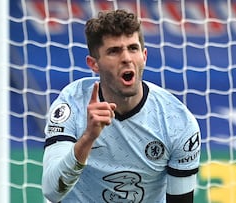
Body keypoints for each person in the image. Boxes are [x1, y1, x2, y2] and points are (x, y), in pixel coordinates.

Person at [42, 9, 201, 203]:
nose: (126, 58)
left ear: (144, 56)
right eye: (114, 51)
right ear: (94, 64)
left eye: (133, 48)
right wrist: (88, 138)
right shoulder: (72, 104)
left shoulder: (178, 122)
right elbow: (51, 190)